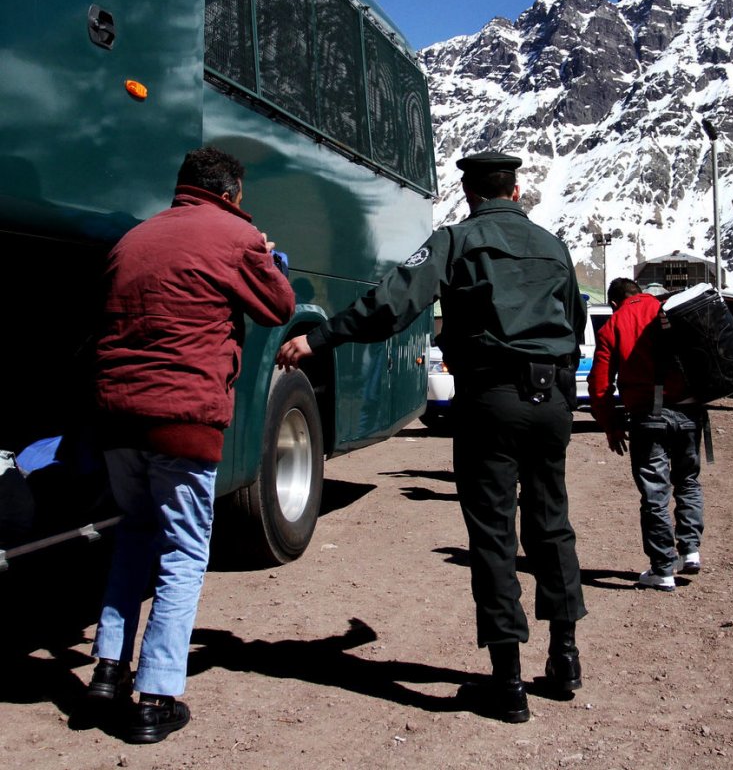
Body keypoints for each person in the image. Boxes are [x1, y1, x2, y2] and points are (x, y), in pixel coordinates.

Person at [277, 151, 587, 723]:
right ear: (516, 193)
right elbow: (575, 322)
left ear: (472, 196)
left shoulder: (456, 241)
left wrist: (322, 338)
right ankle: (565, 658)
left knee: (493, 535)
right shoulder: (554, 246)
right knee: (551, 524)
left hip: (490, 401)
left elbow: (391, 304)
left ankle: (509, 684)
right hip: (551, 403)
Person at [86, 146, 295, 744]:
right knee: (182, 555)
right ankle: (154, 698)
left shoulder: (135, 238)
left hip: (117, 417)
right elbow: (278, 306)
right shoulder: (235, 234)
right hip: (182, 419)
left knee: (133, 536)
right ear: (230, 194)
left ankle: (106, 670)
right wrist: (270, 256)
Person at [587, 278, 705, 592]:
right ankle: (690, 549)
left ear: (614, 302)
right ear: (640, 293)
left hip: (648, 417)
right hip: (690, 411)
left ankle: (663, 569)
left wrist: (611, 424)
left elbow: (600, 384)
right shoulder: (668, 310)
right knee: (688, 480)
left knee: (655, 493)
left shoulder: (613, 325)